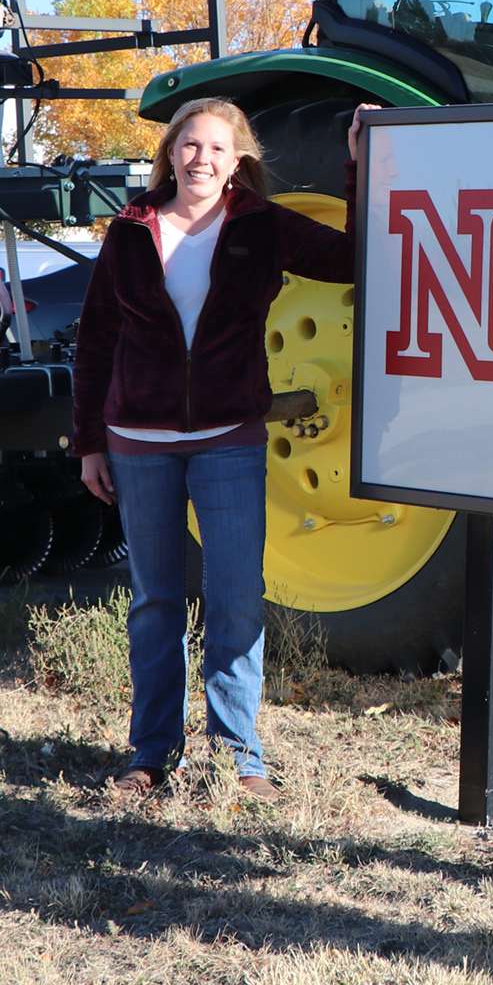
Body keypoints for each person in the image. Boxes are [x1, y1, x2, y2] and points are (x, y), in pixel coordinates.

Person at [71, 96, 364, 802]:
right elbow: (96, 340)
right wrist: (88, 443)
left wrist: (359, 168)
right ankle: (150, 755)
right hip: (138, 442)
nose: (200, 159)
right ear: (170, 153)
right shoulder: (131, 231)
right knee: (155, 602)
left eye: (216, 149)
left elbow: (355, 258)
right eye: (190, 146)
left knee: (235, 598)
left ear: (239, 163)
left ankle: (240, 760)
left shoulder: (262, 229)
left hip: (228, 440)